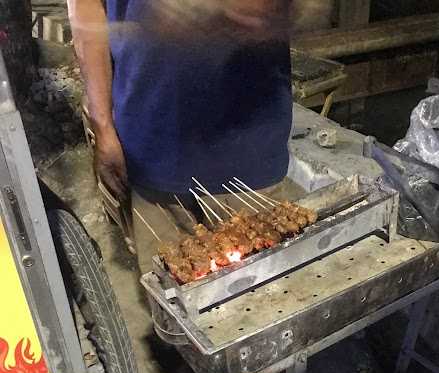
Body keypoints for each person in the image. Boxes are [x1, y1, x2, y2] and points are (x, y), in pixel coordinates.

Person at [68, 0, 293, 274]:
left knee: (261, 298)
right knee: (170, 298)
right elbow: (86, 8)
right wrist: (102, 126)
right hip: (149, 146)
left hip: (248, 149)